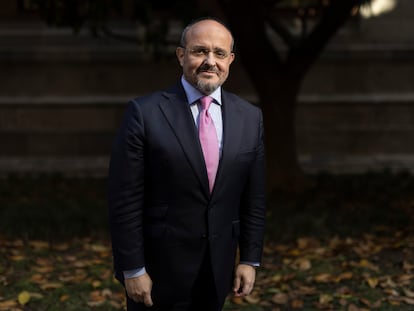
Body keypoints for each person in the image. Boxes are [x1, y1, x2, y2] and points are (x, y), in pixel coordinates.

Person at [108, 17, 266, 311]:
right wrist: (132, 269)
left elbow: (253, 198)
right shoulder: (144, 113)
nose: (210, 61)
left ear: (230, 60)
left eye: (219, 53)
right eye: (199, 51)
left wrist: (249, 258)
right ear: (181, 55)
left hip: (218, 269)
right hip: (158, 273)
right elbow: (124, 199)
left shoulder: (250, 118)